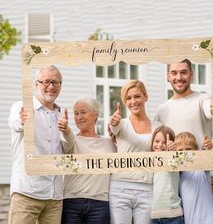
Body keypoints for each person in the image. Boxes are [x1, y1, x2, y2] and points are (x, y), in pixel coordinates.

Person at [154, 59, 213, 222]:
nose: (179, 77)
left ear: (191, 74)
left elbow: (210, 109)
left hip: (205, 180)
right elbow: (156, 144)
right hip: (175, 185)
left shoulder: (202, 100)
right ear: (168, 76)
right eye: (174, 73)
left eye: (183, 72)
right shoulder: (162, 110)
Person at [8, 65, 64, 224]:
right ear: (36, 84)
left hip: (54, 197)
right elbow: (16, 123)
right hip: (27, 192)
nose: (51, 86)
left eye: (56, 82)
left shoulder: (60, 114)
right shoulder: (21, 107)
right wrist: (23, 119)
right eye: (46, 81)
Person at [109, 80, 161, 224]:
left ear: (145, 96)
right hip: (120, 188)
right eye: (128, 98)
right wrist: (113, 122)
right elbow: (113, 127)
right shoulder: (121, 124)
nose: (133, 101)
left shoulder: (158, 127)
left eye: (137, 96)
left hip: (147, 188)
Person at [58, 96, 116, 224]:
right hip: (71, 202)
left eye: (83, 112)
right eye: (76, 113)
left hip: (100, 204)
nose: (79, 117)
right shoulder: (72, 141)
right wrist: (66, 130)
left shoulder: (108, 144)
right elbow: (67, 140)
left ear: (96, 115)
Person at [175, 132, 213, 224]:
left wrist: (207, 149)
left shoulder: (201, 168)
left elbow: (207, 157)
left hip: (209, 220)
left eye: (188, 149)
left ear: (196, 150)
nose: (184, 153)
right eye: (180, 151)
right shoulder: (177, 174)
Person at [151, 125, 184, 224]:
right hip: (155, 217)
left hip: (173, 217)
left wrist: (172, 152)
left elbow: (177, 161)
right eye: (157, 141)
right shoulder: (151, 163)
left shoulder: (173, 160)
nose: (160, 145)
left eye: (164, 142)